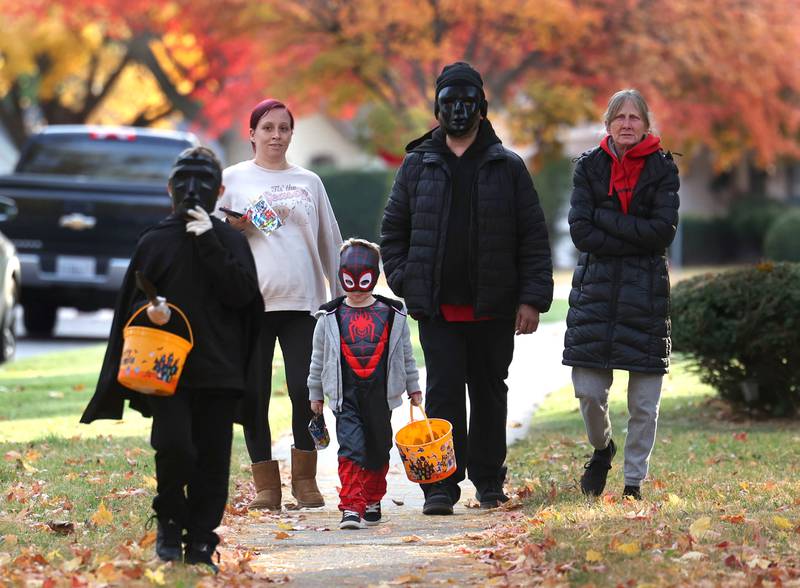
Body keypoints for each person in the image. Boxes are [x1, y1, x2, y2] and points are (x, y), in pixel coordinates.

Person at [380, 62, 554, 515]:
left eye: (466, 101)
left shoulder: (508, 166)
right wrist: (406, 280)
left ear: (482, 108)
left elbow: (532, 237)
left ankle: (490, 482)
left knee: (490, 392)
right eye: (448, 102)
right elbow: (393, 231)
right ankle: (441, 486)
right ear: (436, 109)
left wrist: (532, 299)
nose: (458, 110)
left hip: (493, 308)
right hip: (438, 309)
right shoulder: (417, 164)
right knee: (443, 395)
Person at [80, 147, 263, 570]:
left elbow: (241, 295)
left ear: (219, 191)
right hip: (167, 371)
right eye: (183, 181)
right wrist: (152, 310)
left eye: (203, 182)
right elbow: (131, 308)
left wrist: (209, 241)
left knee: (213, 458)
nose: (192, 190)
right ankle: (169, 523)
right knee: (174, 446)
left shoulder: (232, 240)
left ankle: (201, 540)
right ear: (169, 188)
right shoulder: (155, 239)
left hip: (220, 370)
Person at [214, 98, 344, 511]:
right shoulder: (231, 180)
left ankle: (305, 481)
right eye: (267, 127)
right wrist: (247, 221)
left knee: (306, 392)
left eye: (283, 128)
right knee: (253, 393)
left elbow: (330, 243)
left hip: (303, 302)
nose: (275, 135)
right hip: (249, 304)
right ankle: (266, 486)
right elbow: (214, 240)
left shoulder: (309, 182)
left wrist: (342, 298)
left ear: (291, 134)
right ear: (251, 133)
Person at [562, 89, 680, 501]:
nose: (627, 123)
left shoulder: (663, 169)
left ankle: (633, 483)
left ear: (646, 124)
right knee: (589, 391)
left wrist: (606, 218)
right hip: (595, 296)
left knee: (644, 404)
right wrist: (634, 232)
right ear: (608, 123)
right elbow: (581, 233)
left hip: (646, 298)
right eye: (620, 117)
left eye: (635, 117)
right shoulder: (588, 168)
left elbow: (662, 232)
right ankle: (602, 449)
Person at [307, 238, 422, 529]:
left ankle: (372, 498)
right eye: (349, 282)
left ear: (374, 277)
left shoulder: (393, 314)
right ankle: (350, 506)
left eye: (364, 282)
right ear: (341, 278)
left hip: (380, 394)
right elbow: (318, 359)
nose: (356, 291)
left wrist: (413, 387)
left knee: (378, 447)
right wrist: (316, 393)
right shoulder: (329, 316)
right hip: (346, 395)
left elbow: (405, 355)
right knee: (351, 448)